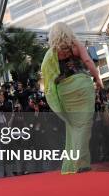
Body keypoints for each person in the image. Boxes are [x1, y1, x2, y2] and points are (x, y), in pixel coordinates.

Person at [41, 22, 103, 174]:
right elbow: (88, 61)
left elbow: (47, 75)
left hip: (64, 90)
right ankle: (81, 163)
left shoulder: (52, 53)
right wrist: (98, 78)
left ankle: (78, 161)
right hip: (82, 84)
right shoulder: (75, 44)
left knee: (74, 125)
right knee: (85, 124)